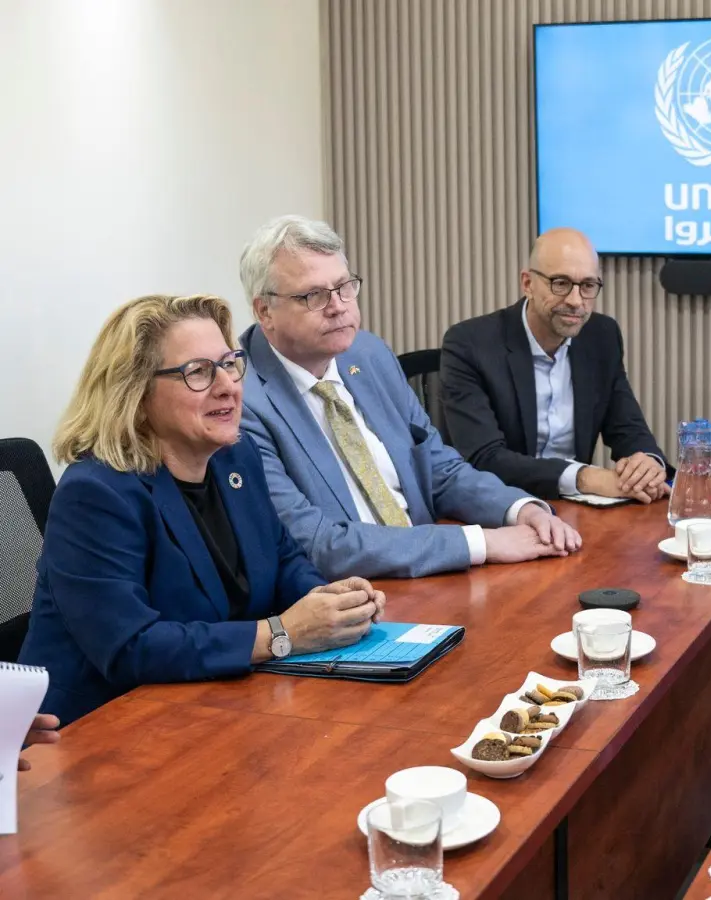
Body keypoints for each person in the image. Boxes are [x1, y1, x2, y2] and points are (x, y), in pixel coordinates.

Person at [19, 294, 385, 726]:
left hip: (214, 703)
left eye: (230, 363)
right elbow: (131, 647)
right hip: (99, 731)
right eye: (198, 372)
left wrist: (328, 603)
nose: (228, 384)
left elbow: (282, 557)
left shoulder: (236, 457)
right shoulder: (96, 494)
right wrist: (282, 635)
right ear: (135, 392)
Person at [238, 216, 581, 581]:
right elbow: (318, 544)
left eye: (344, 287)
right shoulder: (243, 402)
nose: (338, 306)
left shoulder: (367, 354)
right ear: (265, 311)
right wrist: (482, 544)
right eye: (314, 296)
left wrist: (520, 508)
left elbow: (439, 468)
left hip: (433, 577)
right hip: (348, 598)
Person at [441, 228, 668, 503]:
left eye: (587, 286)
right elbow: (484, 458)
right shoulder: (471, 344)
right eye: (560, 283)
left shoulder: (601, 336)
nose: (575, 301)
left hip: (576, 510)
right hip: (499, 508)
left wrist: (646, 463)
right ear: (527, 283)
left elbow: (627, 428)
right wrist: (584, 477)